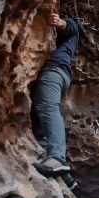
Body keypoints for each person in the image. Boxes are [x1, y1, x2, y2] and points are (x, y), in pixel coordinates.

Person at [31, 11, 81, 182]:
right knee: (39, 123)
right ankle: (67, 181)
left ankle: (57, 158)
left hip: (54, 71)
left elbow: (73, 27)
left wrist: (61, 22)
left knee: (47, 108)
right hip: (56, 73)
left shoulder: (72, 29)